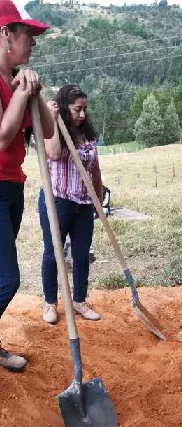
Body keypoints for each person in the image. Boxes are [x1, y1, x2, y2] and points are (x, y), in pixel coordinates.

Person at [0, 0, 53, 371]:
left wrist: (35, 93)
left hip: (12, 187)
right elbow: (2, 137)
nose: (32, 42)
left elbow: (47, 131)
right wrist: (20, 94)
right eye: (27, 35)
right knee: (7, 279)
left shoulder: (15, 81)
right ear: (5, 34)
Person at [40, 84, 103, 324]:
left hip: (84, 204)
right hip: (57, 200)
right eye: (78, 110)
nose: (83, 115)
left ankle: (79, 300)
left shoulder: (86, 135)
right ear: (66, 108)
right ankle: (50, 303)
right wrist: (53, 120)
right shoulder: (49, 128)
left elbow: (95, 170)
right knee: (53, 253)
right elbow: (54, 153)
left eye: (85, 109)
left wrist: (98, 201)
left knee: (81, 254)